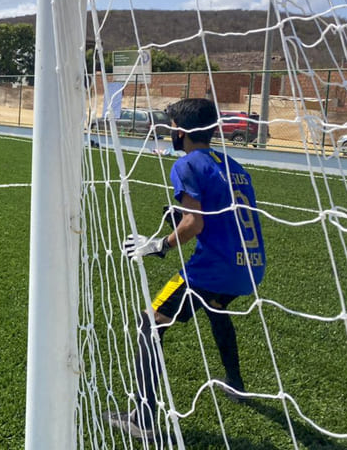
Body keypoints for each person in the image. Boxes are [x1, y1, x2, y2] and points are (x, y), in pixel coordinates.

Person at [106, 98, 265, 441]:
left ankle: (143, 418)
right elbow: (220, 213)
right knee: (217, 309)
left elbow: (195, 223)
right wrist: (180, 218)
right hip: (250, 266)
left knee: (149, 322)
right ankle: (236, 384)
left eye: (172, 125)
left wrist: (159, 244)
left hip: (213, 268)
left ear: (180, 131)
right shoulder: (233, 163)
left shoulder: (187, 164)